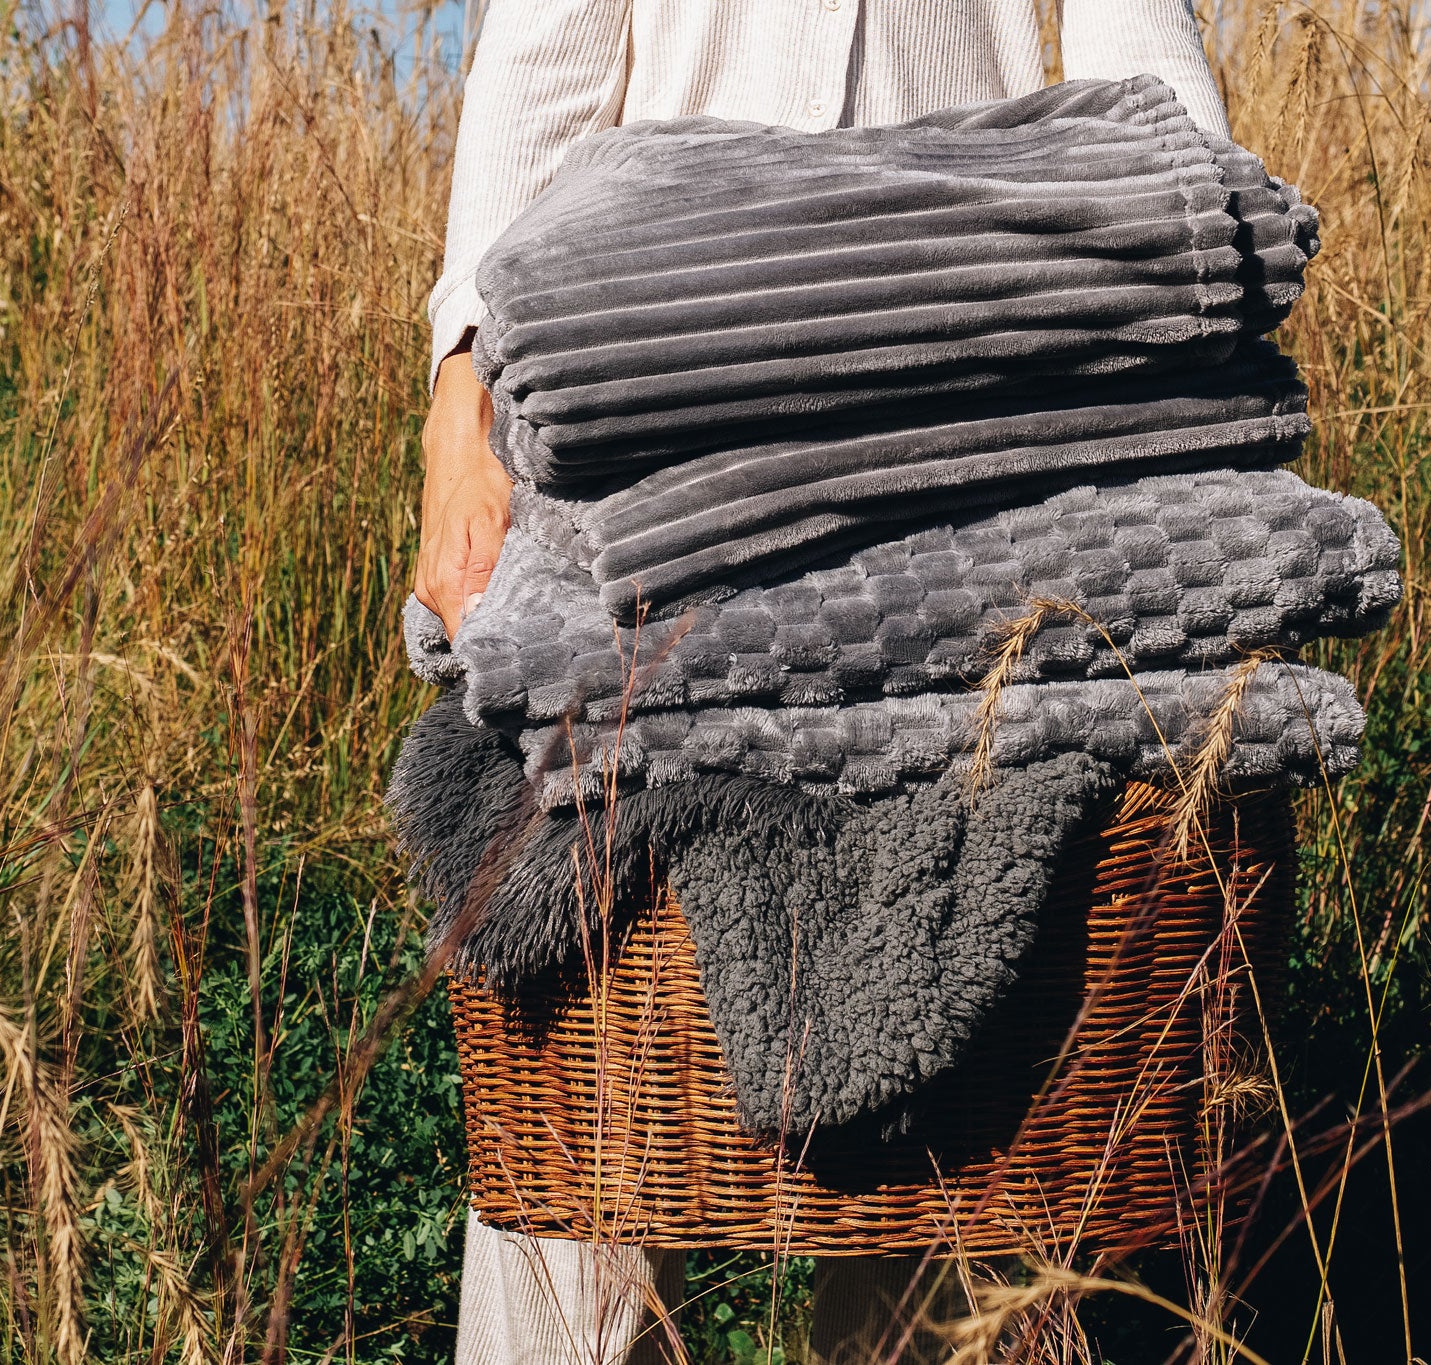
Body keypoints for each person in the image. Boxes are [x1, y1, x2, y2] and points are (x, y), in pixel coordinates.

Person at [415, 3, 1231, 1360]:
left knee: (970, 1100)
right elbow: (542, 57)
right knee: (589, 1067)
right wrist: (464, 396)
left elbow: (1139, 47)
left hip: (976, 403)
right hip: (642, 396)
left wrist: (1189, 298)